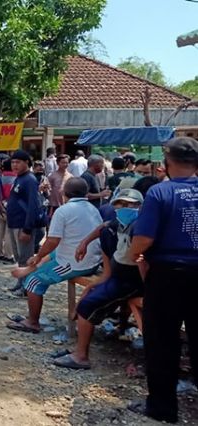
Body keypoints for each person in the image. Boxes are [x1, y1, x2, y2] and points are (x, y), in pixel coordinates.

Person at [127, 137, 198, 423]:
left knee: (162, 341)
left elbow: (144, 238)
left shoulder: (159, 193)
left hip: (168, 274)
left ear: (167, 163)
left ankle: (162, 408)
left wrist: (134, 255)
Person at [55, 189, 148, 370]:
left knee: (87, 305)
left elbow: (143, 262)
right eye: (121, 205)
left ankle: (81, 356)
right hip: (118, 276)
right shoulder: (118, 226)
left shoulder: (140, 228)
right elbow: (104, 227)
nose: (125, 209)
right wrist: (85, 242)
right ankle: (82, 348)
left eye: (131, 205)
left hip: (132, 281)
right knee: (88, 295)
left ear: (140, 206)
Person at [6, 178, 102, 333]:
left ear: (64, 192)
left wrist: (37, 256)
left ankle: (32, 322)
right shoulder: (92, 208)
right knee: (51, 255)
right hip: (91, 258)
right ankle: (27, 270)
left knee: (33, 282)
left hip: (76, 263)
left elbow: (52, 241)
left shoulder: (63, 211)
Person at [6, 151, 45, 293]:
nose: (14, 165)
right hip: (14, 223)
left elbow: (33, 205)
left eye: (18, 162)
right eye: (13, 162)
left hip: (23, 225)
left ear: (26, 163)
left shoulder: (29, 179)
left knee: (26, 258)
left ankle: (26, 287)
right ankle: (20, 283)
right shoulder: (19, 178)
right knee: (19, 257)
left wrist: (27, 229)